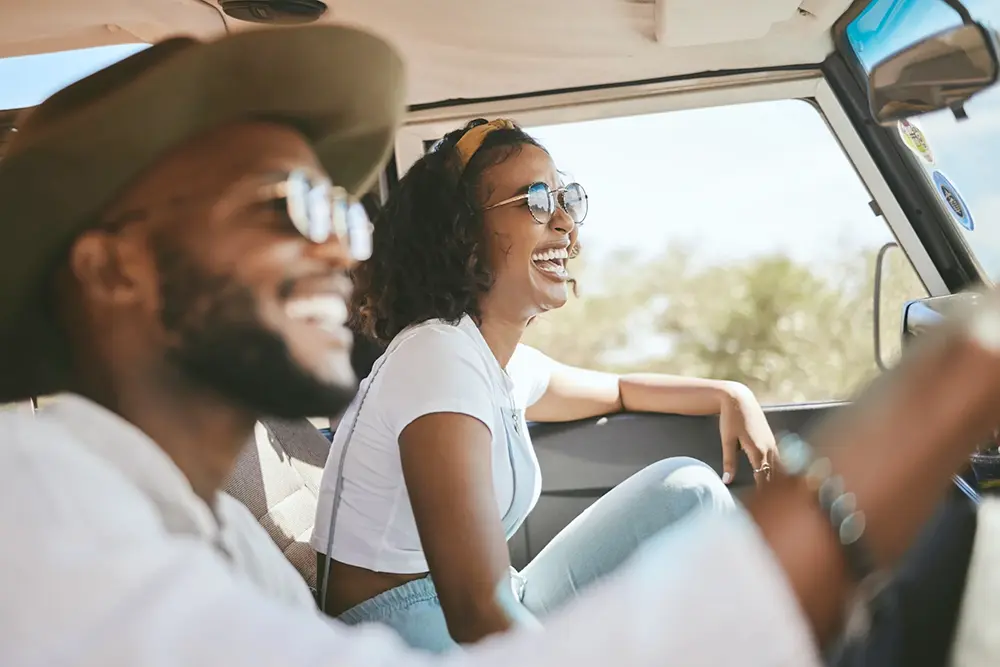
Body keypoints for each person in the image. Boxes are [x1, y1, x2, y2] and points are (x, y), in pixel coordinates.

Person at [0, 23, 997, 667]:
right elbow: (478, 623)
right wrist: (949, 385)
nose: (338, 241)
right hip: (428, 623)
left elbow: (591, 381)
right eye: (292, 201)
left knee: (690, 490)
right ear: (112, 268)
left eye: (341, 211)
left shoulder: (204, 537)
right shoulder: (35, 503)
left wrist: (725, 392)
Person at [309, 117, 778, 650]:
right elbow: (477, 612)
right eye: (534, 200)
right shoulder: (437, 358)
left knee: (687, 489)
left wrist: (729, 394)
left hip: (480, 603)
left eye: (565, 199)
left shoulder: (497, 362)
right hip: (404, 633)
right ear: (462, 231)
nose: (564, 224)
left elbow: (622, 389)